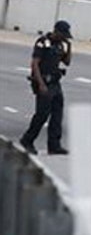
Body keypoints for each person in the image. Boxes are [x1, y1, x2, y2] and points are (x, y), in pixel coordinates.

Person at [20, 20, 73, 156]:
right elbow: (35, 64)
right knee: (42, 115)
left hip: (55, 84)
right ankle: (27, 140)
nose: (64, 38)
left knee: (57, 115)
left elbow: (67, 62)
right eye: (63, 35)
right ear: (56, 31)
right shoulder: (43, 42)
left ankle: (54, 145)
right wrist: (41, 84)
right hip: (44, 82)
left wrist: (69, 47)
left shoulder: (60, 45)